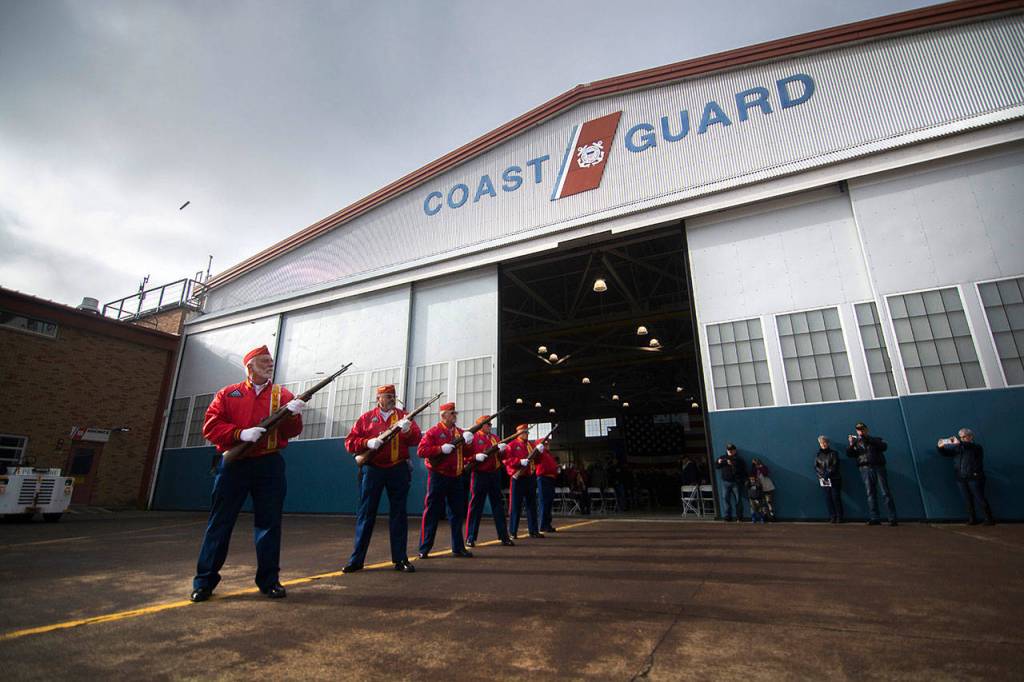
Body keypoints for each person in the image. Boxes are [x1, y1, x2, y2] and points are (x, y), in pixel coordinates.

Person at [190, 345, 305, 602]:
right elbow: (211, 426)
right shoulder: (227, 394)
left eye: (271, 361)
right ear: (250, 366)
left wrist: (294, 415)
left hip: (269, 464)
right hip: (234, 464)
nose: (269, 364)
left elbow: (291, 432)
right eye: (264, 361)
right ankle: (204, 582)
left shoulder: (282, 395)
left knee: (269, 523)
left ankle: (269, 581)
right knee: (220, 523)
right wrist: (239, 434)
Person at [342, 384, 423, 574]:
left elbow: (416, 439)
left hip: (398, 469)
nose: (391, 398)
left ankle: (400, 559)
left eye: (393, 396)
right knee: (366, 514)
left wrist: (407, 430)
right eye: (386, 396)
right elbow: (349, 442)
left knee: (399, 515)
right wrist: (366, 442)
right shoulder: (366, 419)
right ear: (378, 398)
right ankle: (357, 560)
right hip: (373, 470)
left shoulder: (404, 417)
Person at [417, 402, 474, 559]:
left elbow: (468, 453)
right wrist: (440, 449)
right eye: (452, 413)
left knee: (457, 514)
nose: (455, 415)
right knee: (432, 512)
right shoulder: (433, 432)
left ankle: (458, 547)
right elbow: (421, 451)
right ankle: (424, 547)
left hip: (456, 477)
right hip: (438, 476)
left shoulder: (459, 433)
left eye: (455, 413)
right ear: (443, 415)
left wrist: (469, 442)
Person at [464, 416, 514, 547]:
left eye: (490, 424)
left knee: (498, 506)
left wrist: (503, 450)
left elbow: (502, 457)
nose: (489, 426)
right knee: (476, 506)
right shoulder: (473, 438)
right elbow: (465, 457)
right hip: (479, 474)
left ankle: (504, 536)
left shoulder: (495, 438)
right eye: (487, 424)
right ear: (480, 425)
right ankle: (470, 537)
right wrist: (475, 457)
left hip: (494, 474)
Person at [937, 428, 994, 525]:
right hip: (961, 478)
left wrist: (958, 442)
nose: (962, 439)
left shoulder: (976, 447)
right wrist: (940, 447)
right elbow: (946, 453)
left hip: (975, 477)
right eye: (961, 437)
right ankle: (972, 519)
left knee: (980, 498)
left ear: (970, 437)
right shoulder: (958, 448)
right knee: (967, 499)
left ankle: (989, 519)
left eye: (964, 437)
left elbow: (968, 446)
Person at [846, 421, 897, 526]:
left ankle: (892, 518)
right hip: (865, 469)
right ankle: (875, 517)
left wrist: (867, 438)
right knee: (870, 494)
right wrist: (851, 444)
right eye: (859, 430)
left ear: (866, 430)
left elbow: (884, 447)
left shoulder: (876, 439)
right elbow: (850, 454)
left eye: (862, 429)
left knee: (885, 493)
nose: (861, 431)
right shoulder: (856, 443)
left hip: (878, 467)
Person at [505, 424, 543, 538]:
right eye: (524, 432)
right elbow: (506, 460)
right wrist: (519, 462)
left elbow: (537, 461)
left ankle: (534, 531)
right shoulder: (511, 445)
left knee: (532, 505)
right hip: (518, 478)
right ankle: (512, 531)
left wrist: (540, 452)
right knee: (515, 505)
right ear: (519, 432)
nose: (526, 434)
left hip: (530, 477)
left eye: (527, 432)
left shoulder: (531, 445)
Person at [814, 435, 844, 523]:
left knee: (836, 497)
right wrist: (822, 475)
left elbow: (834, 465)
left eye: (824, 442)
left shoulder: (834, 453)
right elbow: (816, 466)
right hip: (824, 480)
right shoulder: (818, 455)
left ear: (828, 443)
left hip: (834, 478)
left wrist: (827, 474)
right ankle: (832, 516)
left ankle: (839, 516)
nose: (823, 444)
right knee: (828, 498)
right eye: (821, 443)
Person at [715, 443, 746, 521]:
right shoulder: (723, 457)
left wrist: (732, 464)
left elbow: (742, 470)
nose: (730, 451)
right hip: (725, 482)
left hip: (736, 482)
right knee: (725, 499)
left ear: (735, 450)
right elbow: (716, 467)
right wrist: (718, 462)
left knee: (738, 500)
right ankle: (727, 516)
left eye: (732, 450)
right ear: (726, 450)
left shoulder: (739, 459)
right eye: (729, 450)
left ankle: (739, 517)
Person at [535, 437, 559, 533]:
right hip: (543, 478)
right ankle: (542, 525)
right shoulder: (540, 453)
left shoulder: (549, 454)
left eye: (548, 443)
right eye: (546, 443)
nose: (548, 445)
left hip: (550, 478)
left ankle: (547, 524)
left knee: (548, 502)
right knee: (544, 502)